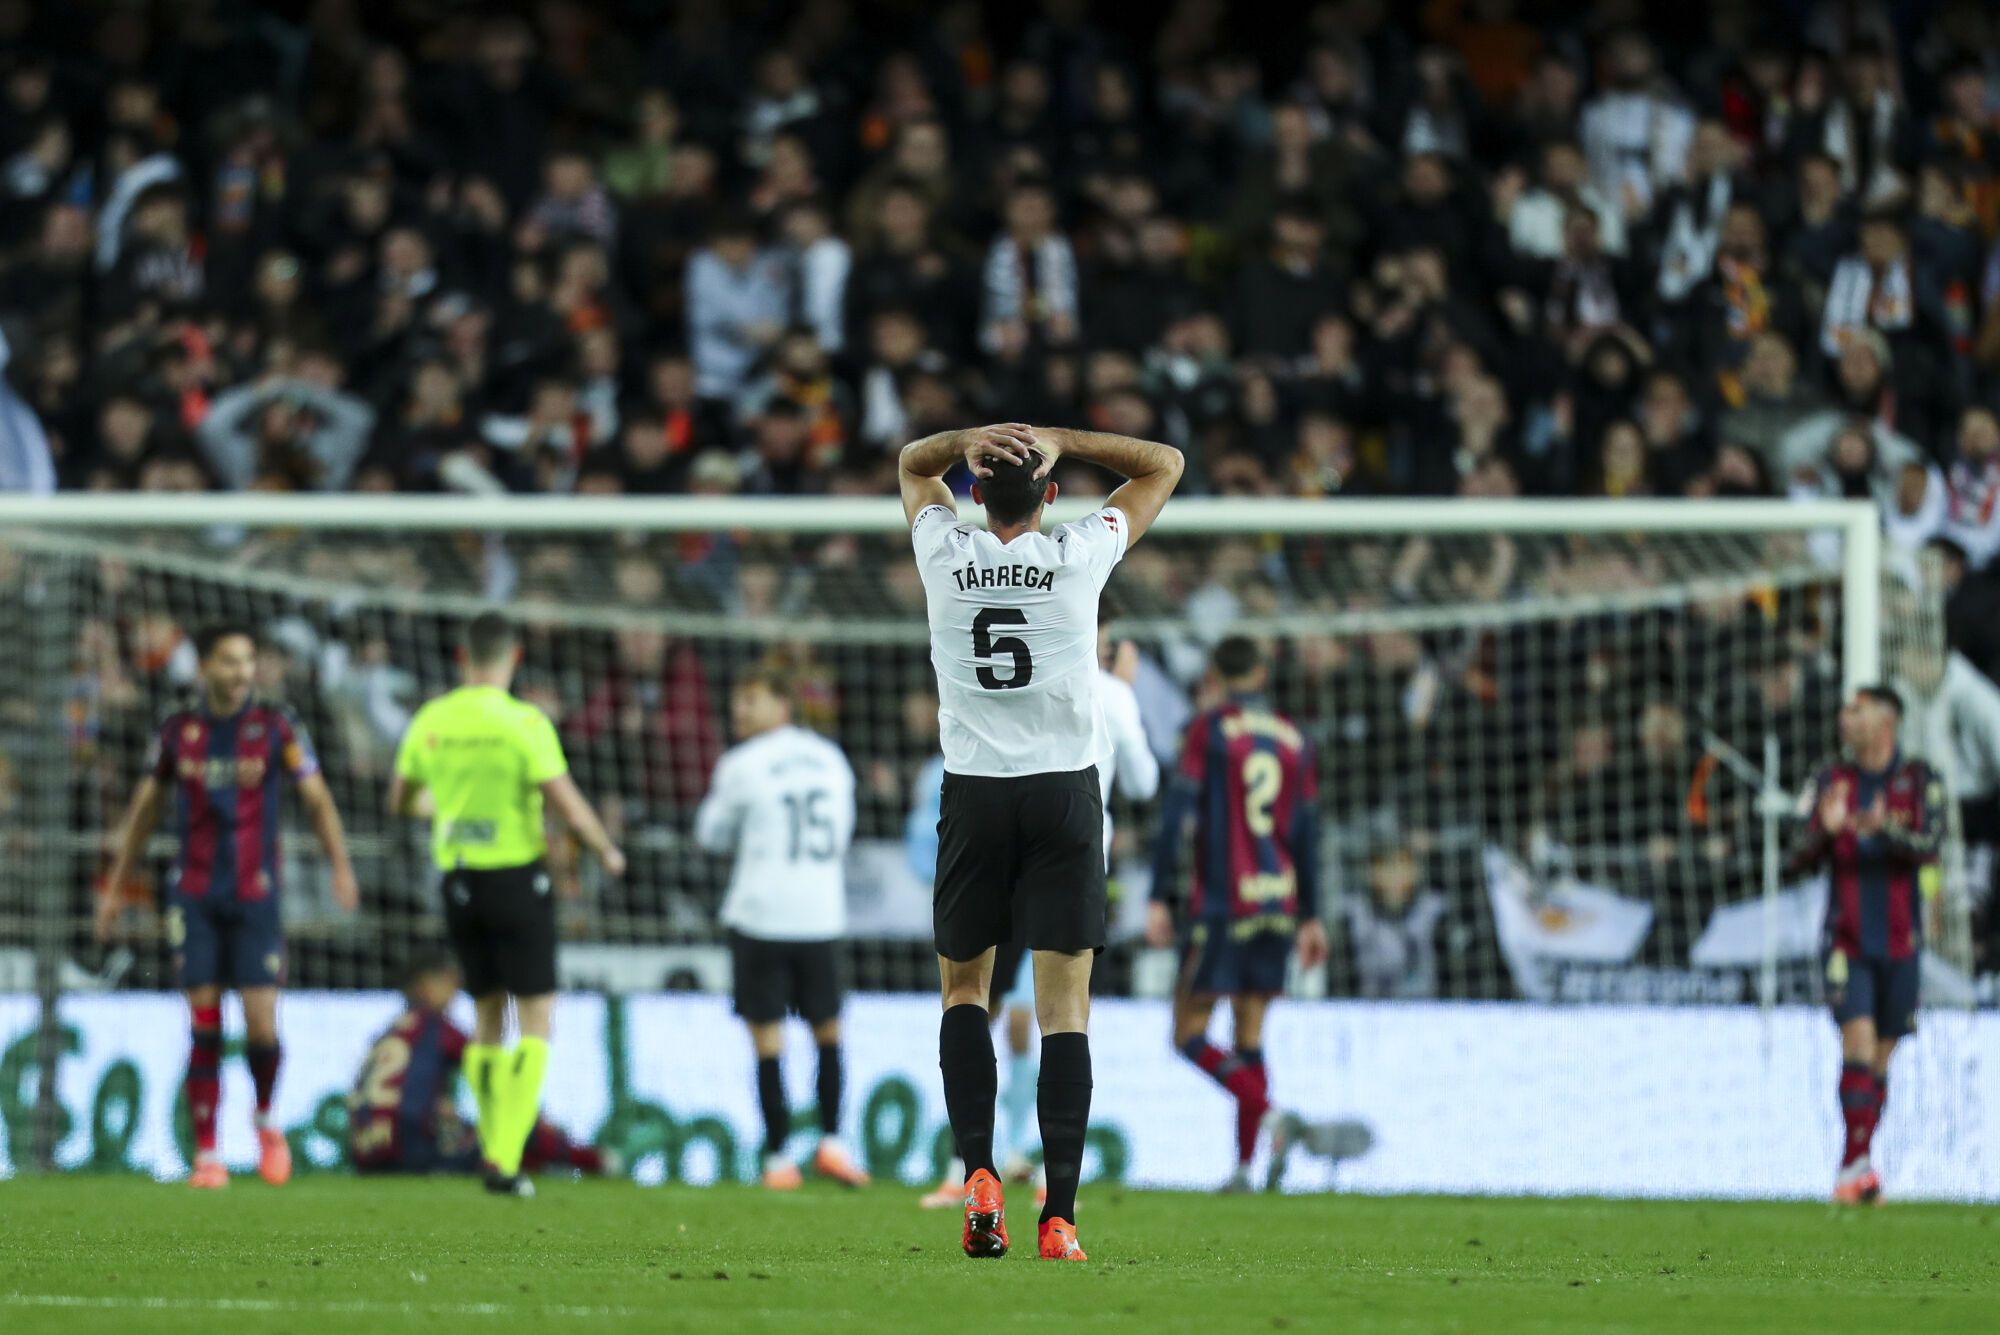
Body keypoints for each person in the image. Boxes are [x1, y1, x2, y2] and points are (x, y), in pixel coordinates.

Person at [901, 421, 1183, 1261]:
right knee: (1066, 1010)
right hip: (1066, 795)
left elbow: (915, 465)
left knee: (965, 995)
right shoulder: (1078, 556)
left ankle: (979, 1172)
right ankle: (1058, 1216)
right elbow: (1165, 464)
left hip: (975, 794)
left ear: (977, 496)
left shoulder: (944, 555)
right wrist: (1058, 436)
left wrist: (968, 439)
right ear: (1053, 494)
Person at [100, 622, 359, 1190]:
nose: (242, 672)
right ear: (205, 668)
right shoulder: (178, 731)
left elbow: (316, 798)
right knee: (205, 1021)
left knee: (262, 1023)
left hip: (256, 895)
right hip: (192, 895)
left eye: (248, 661)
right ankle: (209, 1155)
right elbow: (146, 807)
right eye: (230, 661)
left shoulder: (277, 726)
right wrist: (117, 884)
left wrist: (340, 864)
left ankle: (266, 1121)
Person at [921, 629, 1161, 1210]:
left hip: (993, 831)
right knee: (1060, 1013)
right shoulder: (1113, 693)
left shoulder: (1009, 654)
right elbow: (1149, 782)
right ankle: (1051, 1190)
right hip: (1069, 850)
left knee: (979, 1000)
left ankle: (977, 1164)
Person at [388, 611, 625, 1199]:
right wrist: (606, 850)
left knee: (489, 1016)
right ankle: (504, 1153)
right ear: (513, 659)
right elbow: (567, 806)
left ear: (462, 658)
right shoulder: (524, 722)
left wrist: (446, 813)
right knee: (537, 1017)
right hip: (517, 882)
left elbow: (399, 802)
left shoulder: (432, 719)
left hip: (459, 884)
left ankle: (495, 1145)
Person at [1147, 636, 1332, 1193]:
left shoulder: (1211, 730)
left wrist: (1158, 893)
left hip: (1225, 905)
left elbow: (1177, 813)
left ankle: (1271, 1117)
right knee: (1249, 1039)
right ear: (1262, 671)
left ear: (1215, 675)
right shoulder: (1296, 738)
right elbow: (1305, 831)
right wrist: (1312, 914)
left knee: (1187, 1035)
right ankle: (1244, 1170)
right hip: (1279, 902)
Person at [693, 665, 868, 1190]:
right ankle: (833, 1143)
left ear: (782, 705)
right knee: (828, 1030)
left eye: (751, 700)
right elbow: (844, 834)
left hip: (760, 914)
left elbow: (710, 835)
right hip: (821, 911)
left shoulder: (741, 763)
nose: (739, 710)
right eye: (737, 700)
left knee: (767, 1037)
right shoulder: (832, 758)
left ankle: (778, 1159)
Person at [1787, 685, 1944, 1206]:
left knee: (1879, 1062)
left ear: (1885, 722)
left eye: (1856, 710)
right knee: (1855, 1046)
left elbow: (1932, 846)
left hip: (1902, 942)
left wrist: (1885, 832)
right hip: (1846, 940)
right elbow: (1795, 855)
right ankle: (1851, 1170)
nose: (1844, 717)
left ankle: (1860, 1165)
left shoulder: (1919, 780)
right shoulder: (1829, 780)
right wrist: (1827, 834)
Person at [349, 954, 611, 1179]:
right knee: (513, 1129)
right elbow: (491, 1074)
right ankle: (597, 1162)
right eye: (448, 982)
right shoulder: (435, 1027)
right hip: (413, 1154)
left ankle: (541, 1166)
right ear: (426, 986)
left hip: (365, 1155)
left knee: (483, 1136)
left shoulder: (388, 1033)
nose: (455, 990)